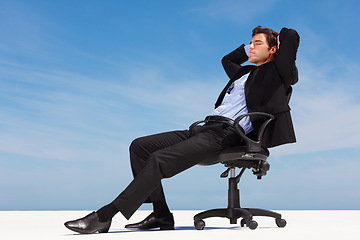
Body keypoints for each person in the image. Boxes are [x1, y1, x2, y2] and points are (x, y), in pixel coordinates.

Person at [64, 26, 300, 234]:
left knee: (159, 159)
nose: (251, 47)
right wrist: (247, 48)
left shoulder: (277, 73)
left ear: (273, 50)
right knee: (140, 146)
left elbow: (292, 36)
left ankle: (105, 216)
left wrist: (277, 40)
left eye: (257, 43)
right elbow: (227, 60)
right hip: (203, 128)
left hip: (227, 135)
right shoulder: (244, 73)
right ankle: (161, 215)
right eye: (250, 42)